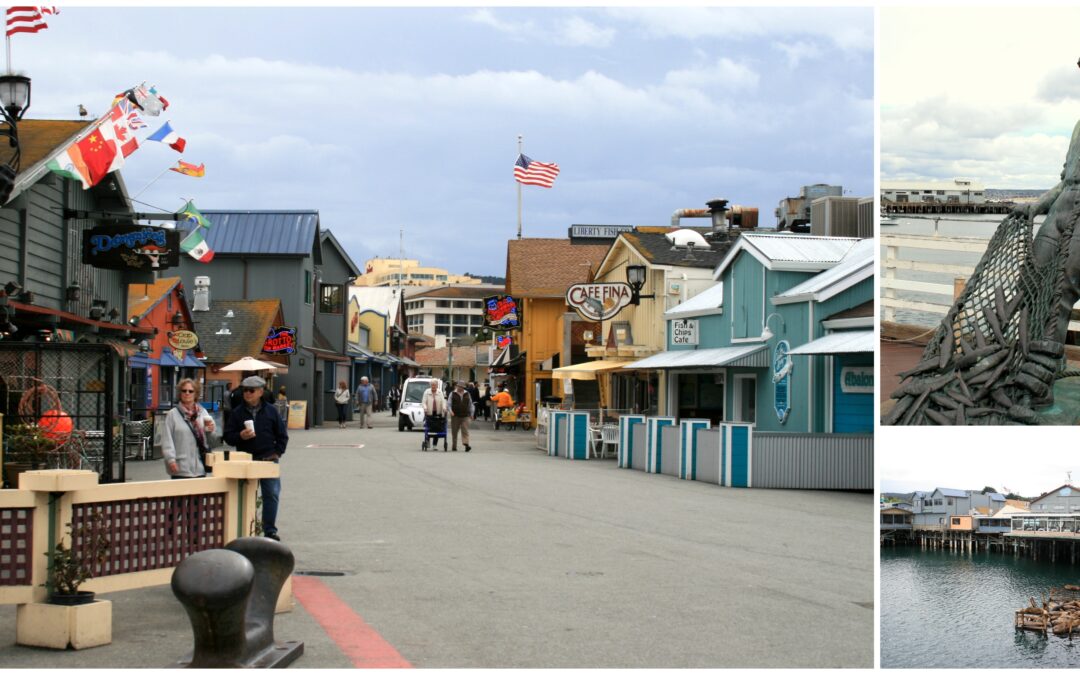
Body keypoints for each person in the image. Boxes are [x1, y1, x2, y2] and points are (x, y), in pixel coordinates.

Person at [224, 375, 288, 541]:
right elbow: (228, 436)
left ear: (260, 392)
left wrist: (277, 453)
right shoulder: (237, 413)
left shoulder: (271, 411)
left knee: (271, 495)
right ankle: (247, 529)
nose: (247, 393)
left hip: (268, 459)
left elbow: (282, 435)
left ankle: (269, 531)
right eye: (245, 390)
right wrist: (240, 436)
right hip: (246, 461)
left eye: (251, 390)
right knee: (246, 496)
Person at [161, 378, 218, 479]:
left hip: (200, 468)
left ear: (196, 394)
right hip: (180, 469)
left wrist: (210, 431)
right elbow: (167, 440)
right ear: (180, 393)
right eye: (184, 390)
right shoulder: (172, 414)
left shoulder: (203, 413)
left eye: (190, 391)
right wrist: (171, 460)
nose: (187, 393)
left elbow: (212, 442)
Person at [421, 379, 447, 450]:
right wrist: (425, 408)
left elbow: (443, 402)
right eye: (432, 385)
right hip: (429, 412)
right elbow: (423, 402)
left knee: (437, 428)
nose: (433, 386)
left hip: (438, 412)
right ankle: (427, 442)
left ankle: (435, 445)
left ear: (437, 385)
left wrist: (444, 408)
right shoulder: (427, 392)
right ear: (430, 385)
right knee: (429, 428)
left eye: (435, 385)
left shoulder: (440, 392)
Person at [448, 381, 473, 452]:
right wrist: (450, 411)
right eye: (459, 386)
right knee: (454, 431)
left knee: (465, 430)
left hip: (465, 415)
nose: (460, 388)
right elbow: (449, 404)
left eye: (461, 387)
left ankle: (466, 444)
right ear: (457, 386)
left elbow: (470, 404)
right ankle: (454, 446)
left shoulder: (467, 394)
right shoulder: (452, 393)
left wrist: (471, 414)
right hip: (455, 415)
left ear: (463, 387)